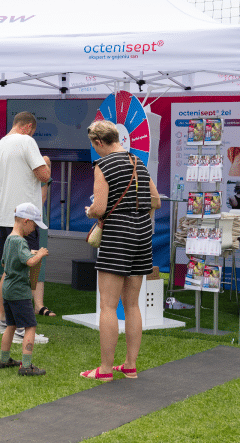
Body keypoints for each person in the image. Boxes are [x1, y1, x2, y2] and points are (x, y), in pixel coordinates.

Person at [82, 119, 160, 382]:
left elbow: (100, 208)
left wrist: (90, 212)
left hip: (117, 234)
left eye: (94, 146)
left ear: (99, 142)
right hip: (142, 233)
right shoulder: (138, 162)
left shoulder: (102, 165)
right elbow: (156, 201)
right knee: (132, 305)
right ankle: (130, 365)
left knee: (107, 305)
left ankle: (105, 370)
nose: (95, 150)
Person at [0, 111, 52, 344]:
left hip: (5, 218)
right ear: (28, 127)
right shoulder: (26, 142)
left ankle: (3, 322)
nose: (32, 135)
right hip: (25, 221)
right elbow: (43, 175)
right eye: (32, 131)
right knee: (25, 272)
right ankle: (22, 328)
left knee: (8, 272)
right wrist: (46, 164)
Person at [0, 202, 49, 376]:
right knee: (30, 326)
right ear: (26, 221)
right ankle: (26, 366)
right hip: (20, 291)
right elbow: (30, 262)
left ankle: (4, 359)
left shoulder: (9, 239)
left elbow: (4, 263)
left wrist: (29, 254)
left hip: (8, 290)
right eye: (34, 225)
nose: (34, 230)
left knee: (10, 325)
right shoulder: (21, 242)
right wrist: (39, 254)